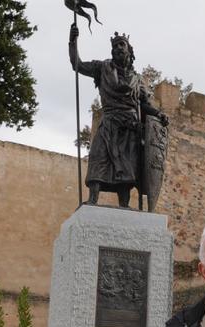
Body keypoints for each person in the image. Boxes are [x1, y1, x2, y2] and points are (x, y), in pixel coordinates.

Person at [69, 24, 169, 208]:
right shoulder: (102, 67)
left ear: (129, 51)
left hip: (130, 126)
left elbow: (144, 105)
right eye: (115, 46)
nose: (117, 48)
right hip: (109, 121)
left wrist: (159, 114)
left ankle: (124, 204)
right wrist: (72, 41)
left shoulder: (137, 79)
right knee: (98, 157)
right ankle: (93, 199)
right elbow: (78, 64)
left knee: (127, 166)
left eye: (121, 45)